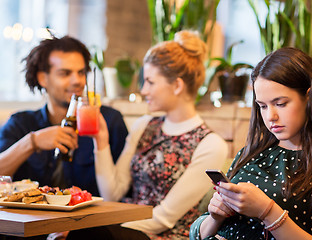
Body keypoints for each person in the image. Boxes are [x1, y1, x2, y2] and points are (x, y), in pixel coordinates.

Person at [67, 30, 228, 240]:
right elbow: (112, 194)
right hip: (123, 230)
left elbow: (163, 219)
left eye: (150, 82)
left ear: (177, 85)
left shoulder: (211, 145)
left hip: (162, 235)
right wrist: (101, 142)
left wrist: (99, 224)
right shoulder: (143, 126)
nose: (143, 90)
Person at [190, 47, 312, 240]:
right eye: (262, 106)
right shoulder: (251, 153)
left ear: (309, 97)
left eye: (281, 103)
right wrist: (215, 217)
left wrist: (267, 211)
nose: (271, 116)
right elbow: (195, 233)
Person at [0, 36, 128, 197]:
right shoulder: (21, 124)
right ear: (42, 78)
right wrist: (32, 142)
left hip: (93, 221)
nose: (77, 81)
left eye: (81, 72)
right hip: (33, 220)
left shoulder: (109, 122)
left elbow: (124, 191)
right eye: (65, 73)